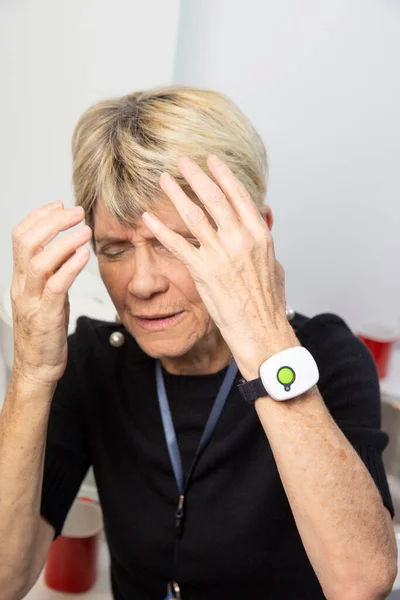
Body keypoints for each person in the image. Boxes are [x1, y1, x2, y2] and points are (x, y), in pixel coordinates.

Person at [0, 85, 397, 600]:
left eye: (178, 243)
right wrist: (31, 375)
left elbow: (360, 582)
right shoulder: (98, 360)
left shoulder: (326, 355)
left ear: (254, 235)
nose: (142, 284)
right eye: (115, 250)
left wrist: (264, 337)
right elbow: (6, 578)